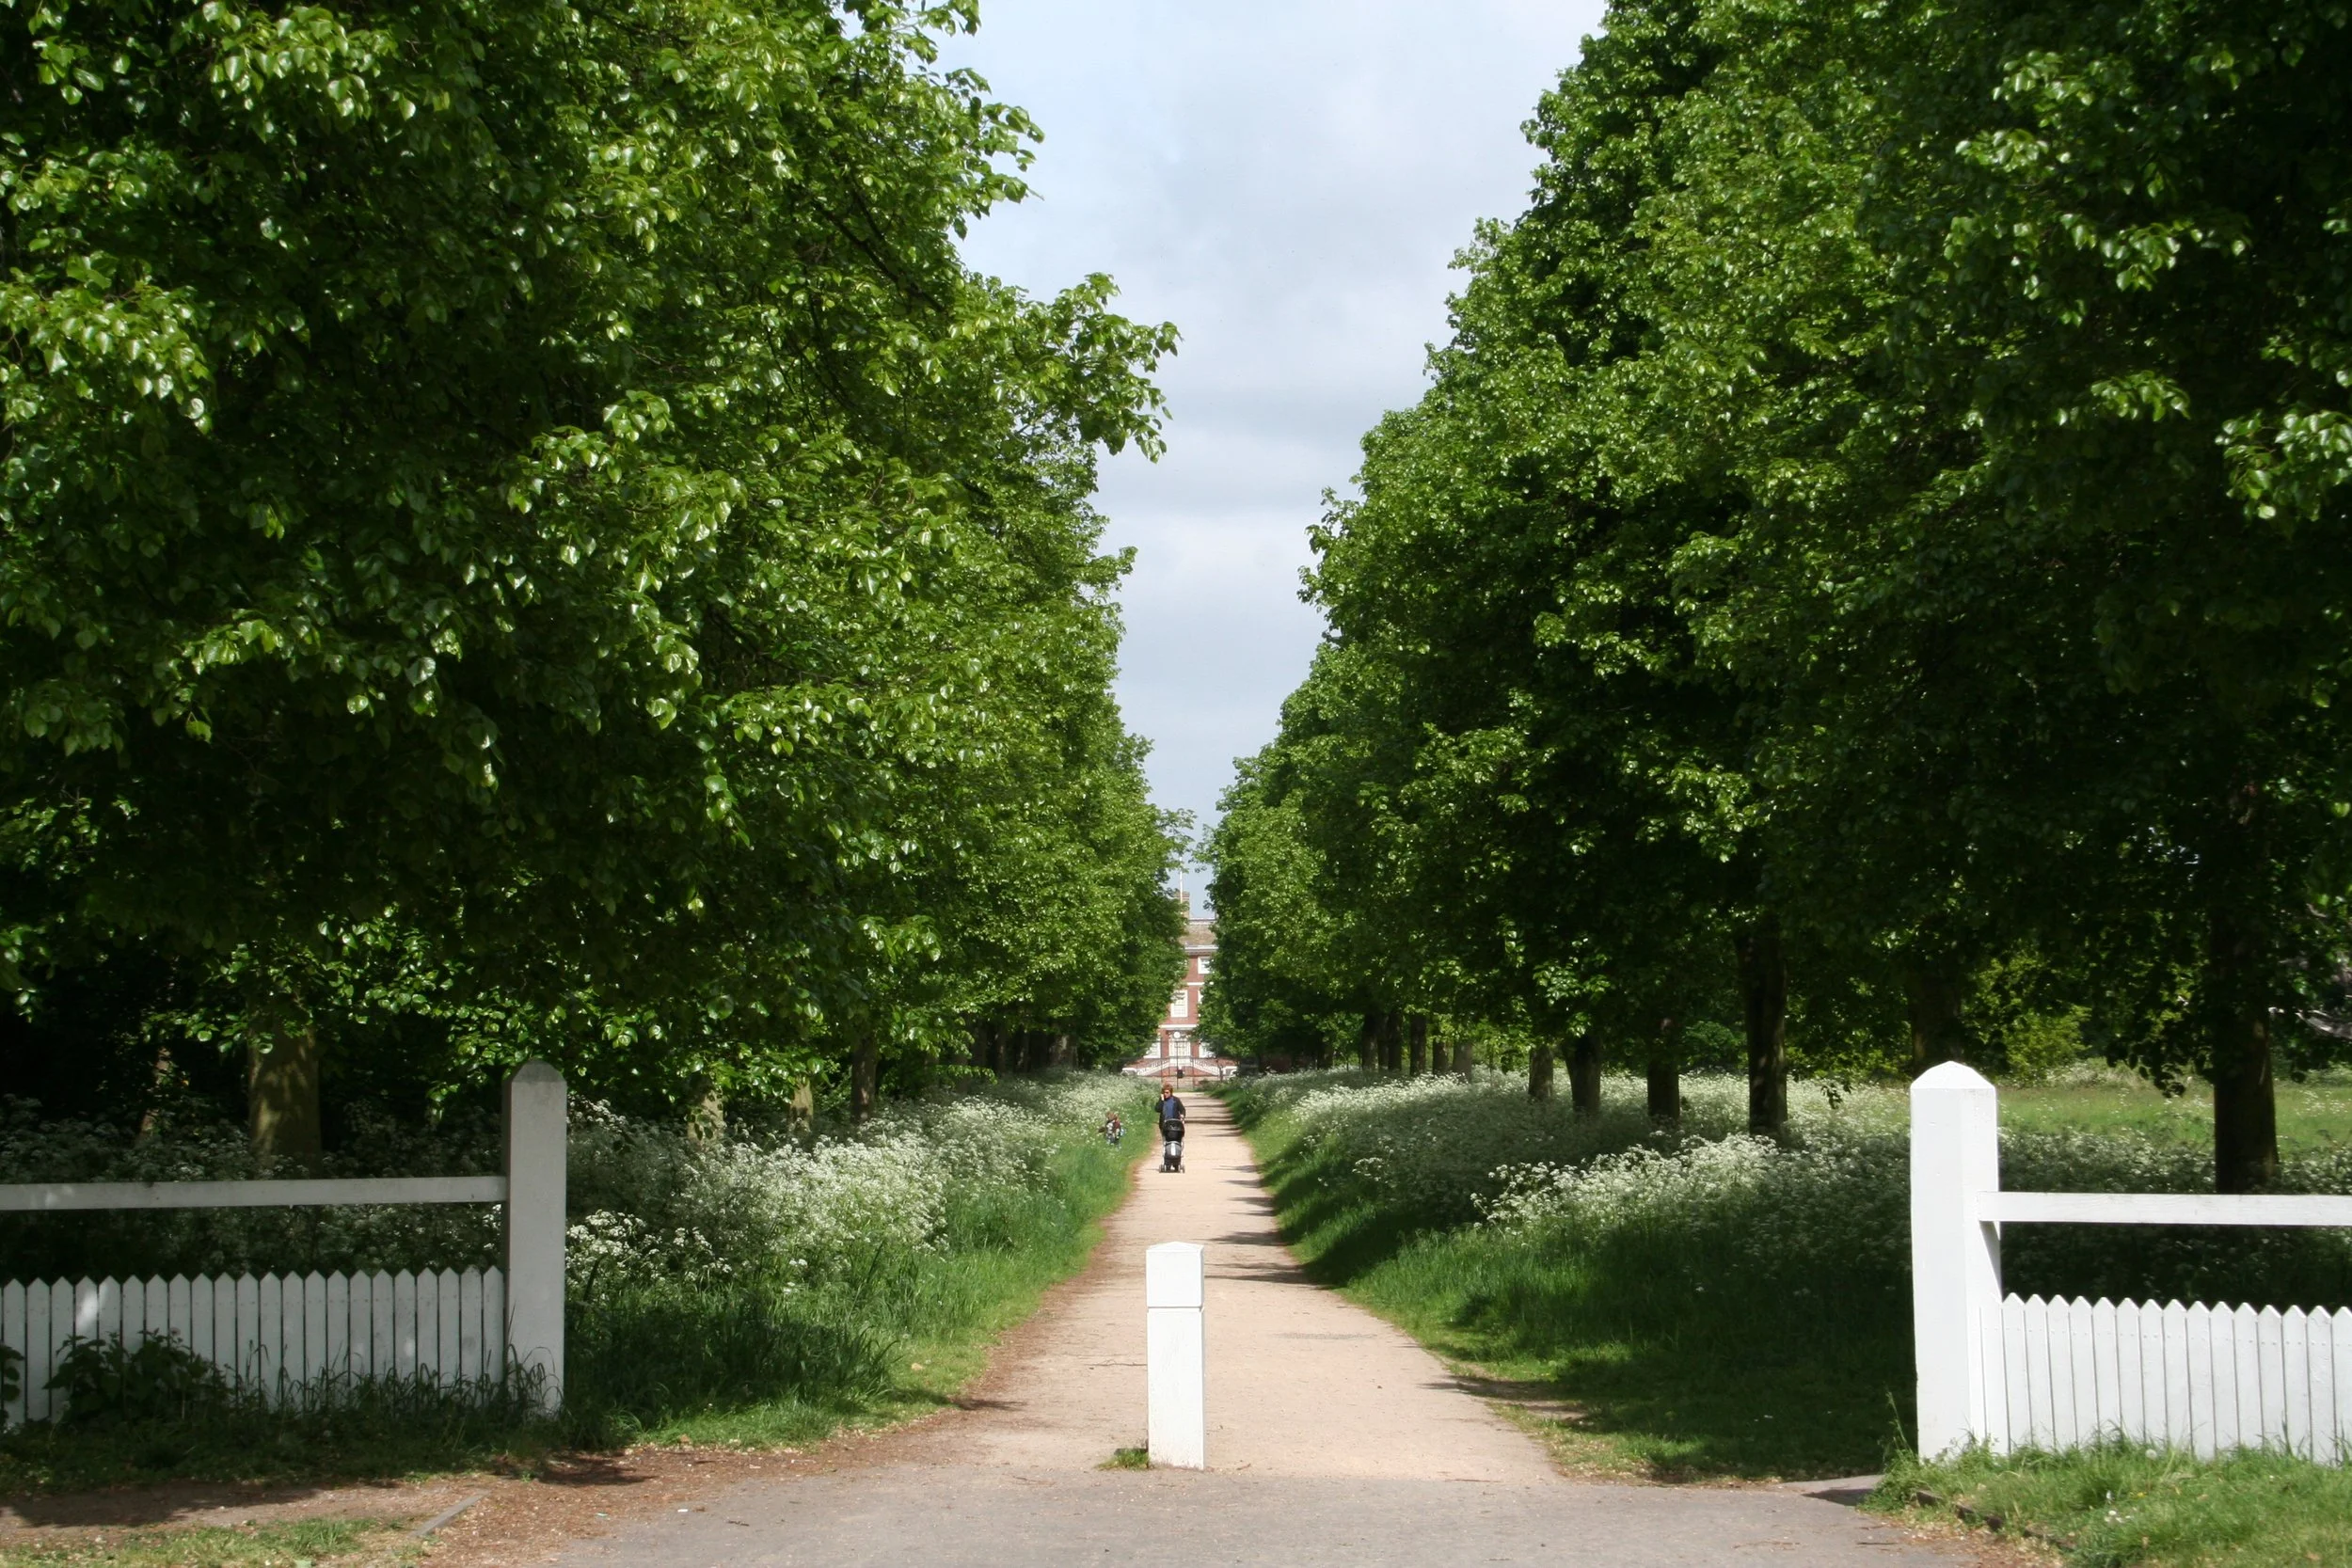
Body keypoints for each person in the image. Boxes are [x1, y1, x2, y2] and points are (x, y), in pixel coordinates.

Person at [1157, 1084, 1186, 1173]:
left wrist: (1182, 1116)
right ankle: (1168, 1162)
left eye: (1167, 1092)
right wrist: (1161, 1101)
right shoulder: (1162, 1101)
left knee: (1178, 1142)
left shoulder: (1176, 1100)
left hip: (1175, 1126)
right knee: (1166, 1142)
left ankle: (1177, 1161)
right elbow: (1157, 1109)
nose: (1165, 1094)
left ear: (1170, 1092)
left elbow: (1182, 1110)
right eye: (1164, 1092)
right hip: (1165, 1125)